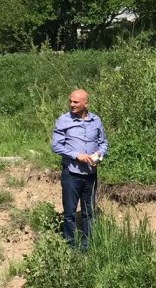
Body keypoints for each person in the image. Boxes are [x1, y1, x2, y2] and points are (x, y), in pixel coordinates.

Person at [51, 89, 108, 250]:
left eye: (76, 102)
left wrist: (99, 155)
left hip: (90, 175)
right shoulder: (63, 120)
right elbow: (56, 146)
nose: (72, 104)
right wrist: (77, 155)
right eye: (71, 101)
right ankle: (71, 247)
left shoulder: (96, 121)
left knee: (89, 212)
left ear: (86, 104)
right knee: (69, 213)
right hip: (71, 174)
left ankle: (87, 246)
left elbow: (103, 143)